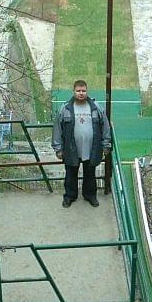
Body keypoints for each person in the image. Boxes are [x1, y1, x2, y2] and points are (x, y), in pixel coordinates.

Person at [52, 80, 111, 208]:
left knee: (90, 174)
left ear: (87, 91)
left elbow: (105, 126)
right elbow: (57, 129)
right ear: (74, 91)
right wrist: (58, 148)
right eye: (78, 91)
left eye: (83, 91)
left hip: (92, 149)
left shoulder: (96, 107)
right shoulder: (65, 108)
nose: (81, 93)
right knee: (70, 175)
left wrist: (106, 145)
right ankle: (69, 197)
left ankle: (90, 195)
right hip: (71, 149)